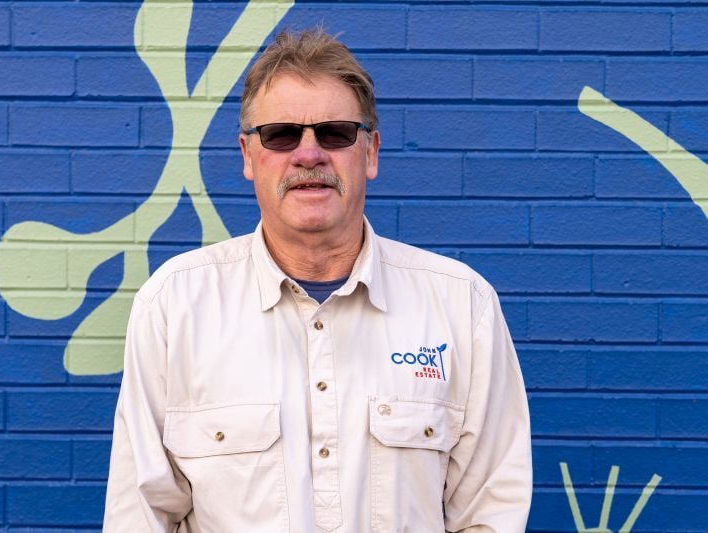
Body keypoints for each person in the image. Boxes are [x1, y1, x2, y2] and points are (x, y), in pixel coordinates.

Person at [103, 28, 532, 532]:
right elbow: (141, 514)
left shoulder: (461, 306)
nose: (309, 154)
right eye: (281, 134)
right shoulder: (175, 306)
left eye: (335, 133)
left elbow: (490, 513)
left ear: (370, 153)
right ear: (248, 155)